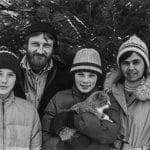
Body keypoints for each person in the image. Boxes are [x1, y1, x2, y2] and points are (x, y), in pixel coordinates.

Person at [42, 48, 121, 150]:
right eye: (80, 74)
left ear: (98, 77)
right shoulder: (58, 98)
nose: (85, 80)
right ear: (74, 75)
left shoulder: (107, 99)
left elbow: (109, 135)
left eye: (91, 75)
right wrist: (62, 146)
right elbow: (45, 135)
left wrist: (74, 119)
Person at [104, 35, 150, 149]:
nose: (130, 67)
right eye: (125, 63)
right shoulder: (109, 94)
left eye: (136, 62)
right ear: (120, 66)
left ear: (145, 65)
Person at [18, 21, 72, 119]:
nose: (40, 51)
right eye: (35, 44)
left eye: (46, 46)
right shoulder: (12, 71)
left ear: (53, 48)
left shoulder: (64, 75)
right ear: (26, 45)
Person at [0, 50, 41, 149]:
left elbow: (36, 147)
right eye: (0, 74)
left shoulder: (29, 111)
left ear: (16, 79)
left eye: (10, 75)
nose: (4, 80)